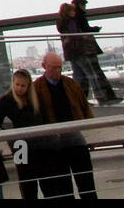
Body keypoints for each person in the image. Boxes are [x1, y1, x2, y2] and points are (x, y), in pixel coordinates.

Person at [34, 51, 97, 199]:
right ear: (44, 66)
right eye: (53, 67)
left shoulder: (71, 84)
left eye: (59, 67)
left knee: (86, 184)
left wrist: (90, 135)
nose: (57, 71)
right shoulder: (37, 87)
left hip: (75, 140)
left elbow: (84, 108)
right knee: (63, 188)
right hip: (54, 145)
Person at [0, 70, 45, 199]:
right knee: (26, 179)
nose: (19, 88)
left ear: (28, 86)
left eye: (23, 86)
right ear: (13, 83)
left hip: (38, 142)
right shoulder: (7, 100)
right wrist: (10, 135)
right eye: (17, 84)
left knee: (44, 177)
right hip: (20, 144)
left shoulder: (34, 98)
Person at [59, 0, 121, 105]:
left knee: (79, 77)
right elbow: (78, 34)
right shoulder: (75, 20)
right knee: (92, 74)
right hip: (81, 51)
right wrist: (94, 30)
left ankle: (79, 101)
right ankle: (101, 97)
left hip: (72, 53)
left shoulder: (63, 22)